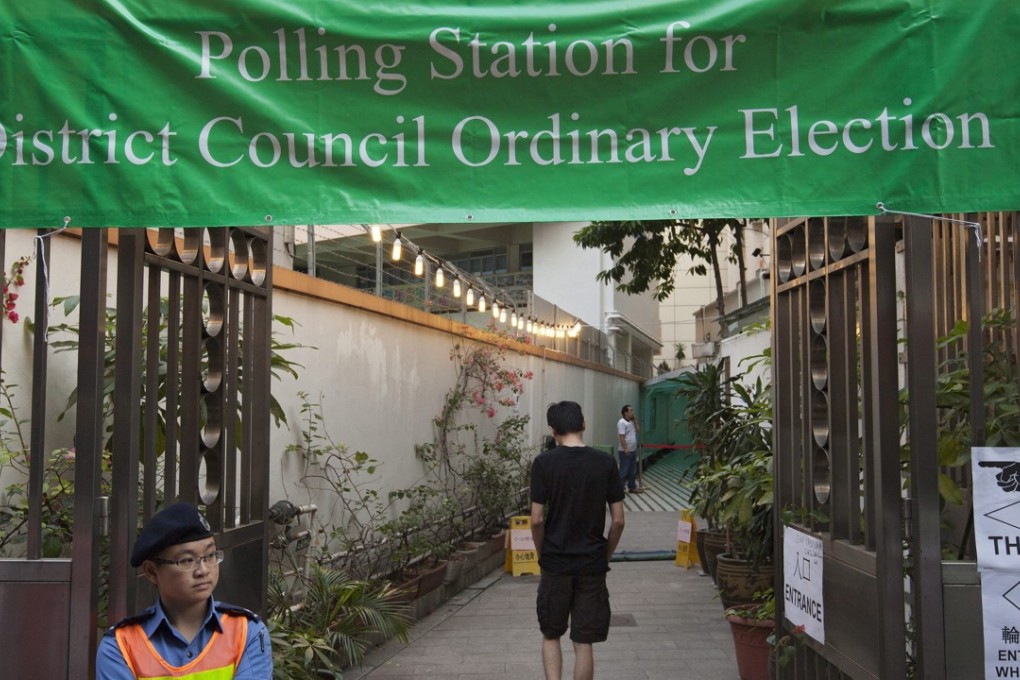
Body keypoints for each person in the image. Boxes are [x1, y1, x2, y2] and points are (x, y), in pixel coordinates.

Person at [96, 502, 273, 679]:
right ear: (151, 571)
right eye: (187, 560)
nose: (203, 570)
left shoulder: (246, 632)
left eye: (210, 555)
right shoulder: (121, 645)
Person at [530, 401, 626, 680]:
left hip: (556, 563)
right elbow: (618, 520)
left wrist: (543, 554)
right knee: (583, 641)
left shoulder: (544, 463)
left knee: (551, 634)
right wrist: (604, 555)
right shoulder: (605, 463)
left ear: (552, 430)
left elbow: (536, 519)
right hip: (591, 564)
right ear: (583, 424)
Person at [617, 404, 640, 493]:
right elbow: (621, 436)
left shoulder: (630, 422)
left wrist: (635, 421)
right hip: (625, 451)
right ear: (625, 412)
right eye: (631, 411)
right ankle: (619, 489)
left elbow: (638, 430)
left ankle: (632, 487)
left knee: (632, 470)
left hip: (633, 450)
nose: (632, 412)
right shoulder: (621, 422)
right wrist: (626, 448)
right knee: (624, 470)